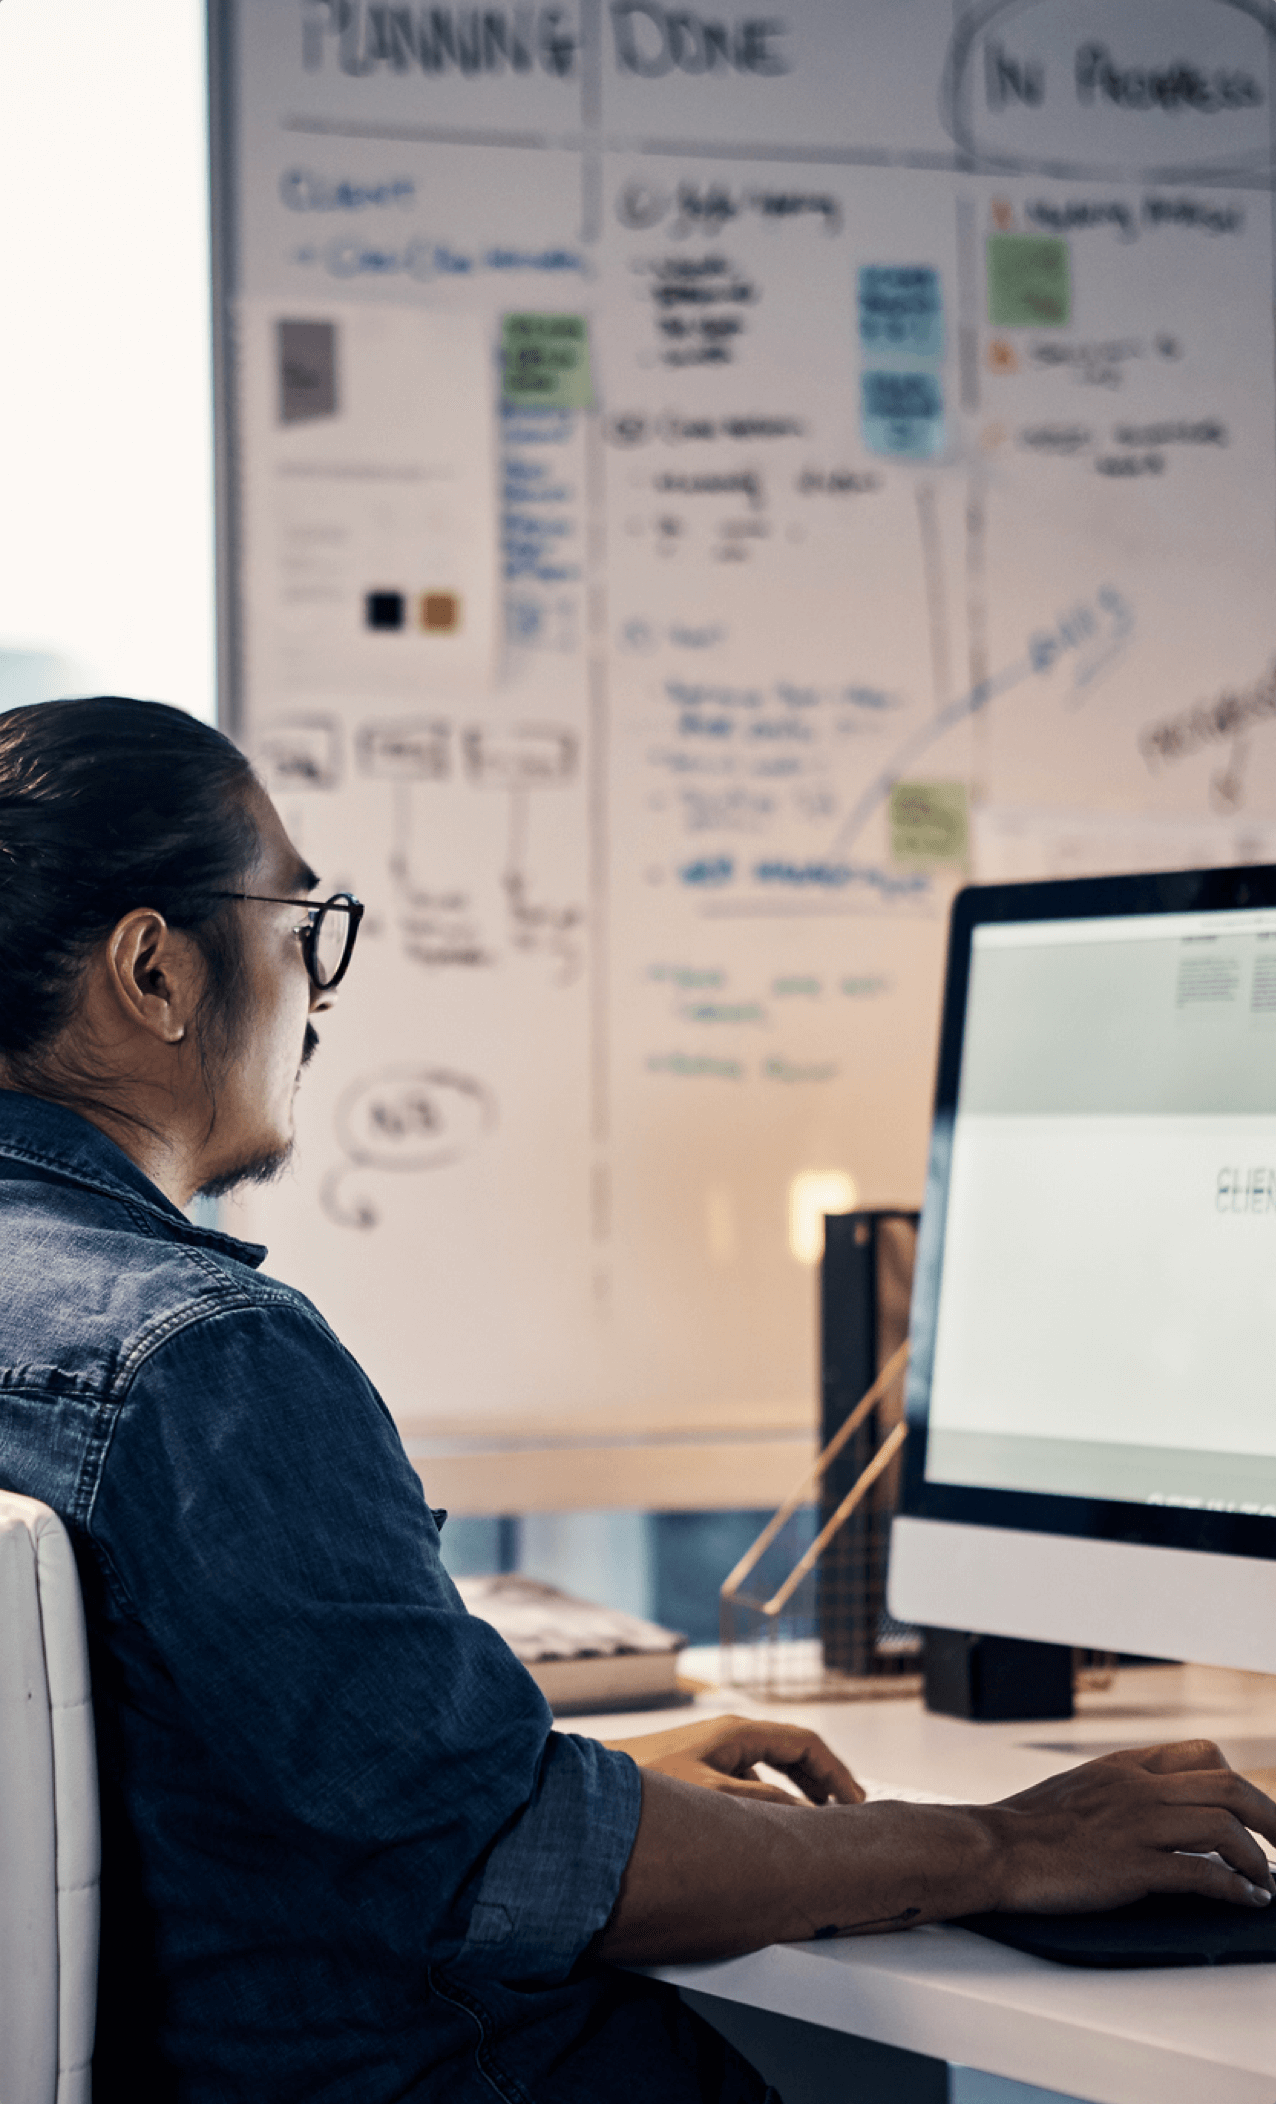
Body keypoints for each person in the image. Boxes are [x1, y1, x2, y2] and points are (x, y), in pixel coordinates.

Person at [0, 695, 1272, 2104]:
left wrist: (558, 1780)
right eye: (303, 928)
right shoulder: (203, 1362)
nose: (321, 995)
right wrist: (1008, 1843)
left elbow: (183, 1778)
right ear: (154, 972)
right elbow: (504, 1866)